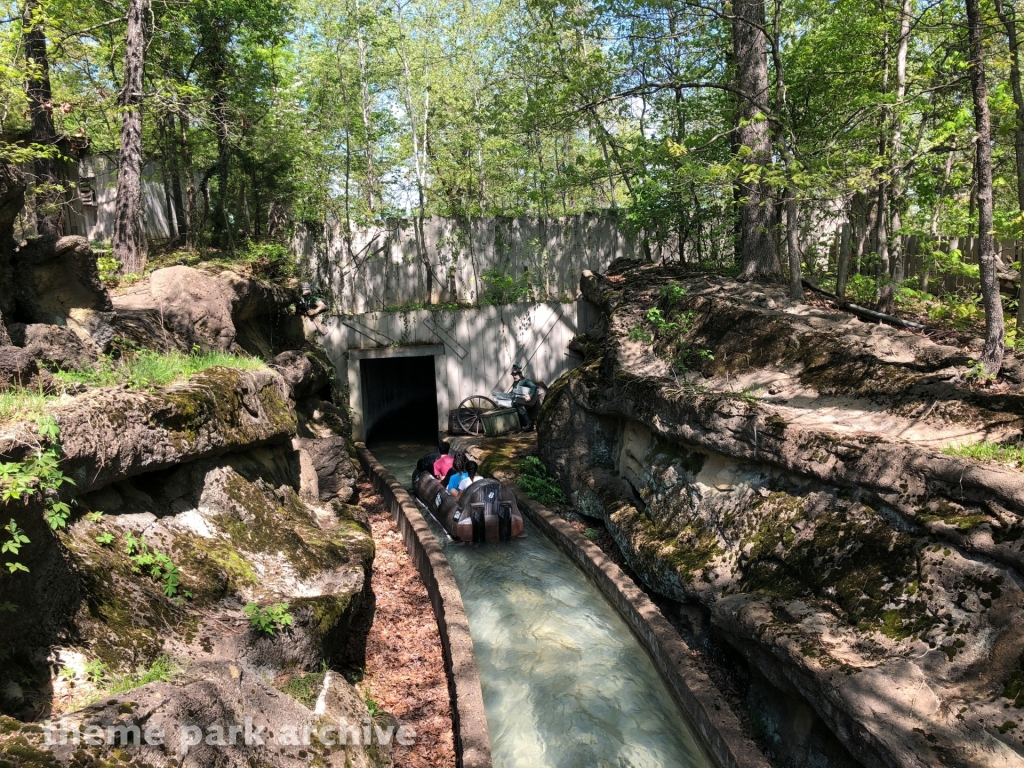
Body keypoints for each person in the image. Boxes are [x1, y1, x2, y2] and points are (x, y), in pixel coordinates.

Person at [509, 362, 538, 431]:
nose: (514, 377)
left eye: (515, 375)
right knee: (512, 405)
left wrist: (530, 396)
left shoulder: (525, 381)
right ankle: (518, 425)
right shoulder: (515, 383)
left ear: (520, 374)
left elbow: (534, 387)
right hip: (518, 400)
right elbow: (514, 391)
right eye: (513, 375)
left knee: (519, 406)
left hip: (526, 400)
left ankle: (529, 424)